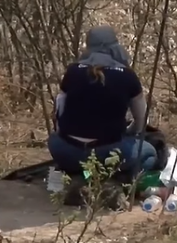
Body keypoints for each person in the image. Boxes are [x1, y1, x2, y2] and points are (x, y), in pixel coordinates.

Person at [48, 26, 158, 201]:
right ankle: (114, 184)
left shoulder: (73, 71)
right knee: (149, 153)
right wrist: (130, 132)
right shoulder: (127, 76)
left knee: (58, 140)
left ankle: (76, 180)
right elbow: (141, 120)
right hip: (107, 152)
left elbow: (59, 110)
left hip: (66, 150)